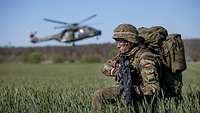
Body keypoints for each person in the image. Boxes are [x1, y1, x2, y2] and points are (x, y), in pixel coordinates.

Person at [92, 24, 161, 112]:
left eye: (120, 42)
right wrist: (117, 71)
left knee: (99, 95)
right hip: (126, 92)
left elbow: (153, 89)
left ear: (130, 41)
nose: (118, 46)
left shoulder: (145, 58)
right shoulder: (124, 54)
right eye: (117, 42)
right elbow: (105, 67)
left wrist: (132, 90)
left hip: (142, 98)